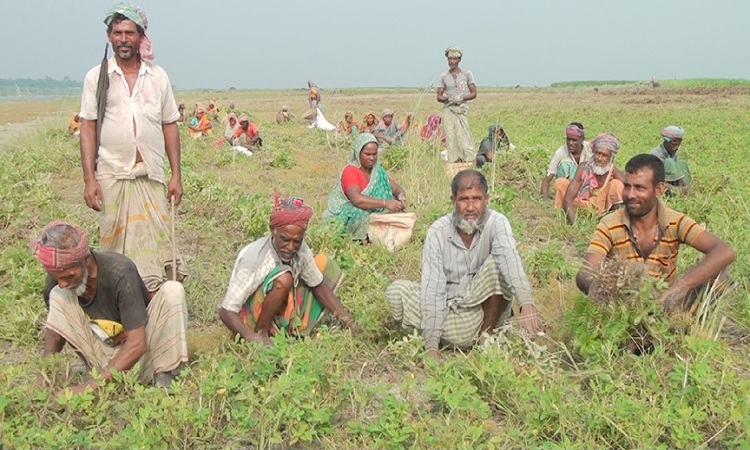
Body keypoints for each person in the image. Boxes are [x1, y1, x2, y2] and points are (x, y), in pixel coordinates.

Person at [79, 3, 187, 294]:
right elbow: (88, 126)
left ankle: (155, 305)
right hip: (113, 175)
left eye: (130, 32)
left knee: (157, 245)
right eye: (117, 33)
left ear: (142, 37)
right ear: (109, 36)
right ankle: (119, 303)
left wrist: (176, 174)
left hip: (151, 176)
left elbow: (170, 125)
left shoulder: (158, 77)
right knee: (115, 246)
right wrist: (90, 179)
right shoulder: (97, 78)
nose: (123, 39)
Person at [386, 170, 543, 359]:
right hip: (449, 310)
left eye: (476, 199)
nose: (470, 207)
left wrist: (526, 304)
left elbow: (510, 260)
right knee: (397, 291)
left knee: (498, 265)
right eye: (463, 199)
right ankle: (439, 336)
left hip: (481, 312)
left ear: (486, 199)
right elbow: (433, 290)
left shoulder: (497, 223)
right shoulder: (438, 232)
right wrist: (431, 348)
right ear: (453, 200)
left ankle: (485, 338)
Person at [32, 221, 188, 391]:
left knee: (173, 291)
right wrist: (44, 375)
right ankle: (97, 374)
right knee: (58, 295)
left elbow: (137, 344)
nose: (62, 283)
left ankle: (163, 373)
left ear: (86, 260)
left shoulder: (120, 273)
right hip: (101, 360)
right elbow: (56, 333)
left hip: (142, 356)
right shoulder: (59, 276)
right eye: (57, 277)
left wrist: (87, 389)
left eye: (69, 276)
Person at [576, 154, 735, 314]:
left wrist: (678, 289)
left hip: (666, 305)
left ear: (658, 189)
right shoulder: (609, 224)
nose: (630, 195)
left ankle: (684, 325)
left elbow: (724, 251)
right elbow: (586, 271)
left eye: (639, 188)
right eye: (627, 186)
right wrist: (603, 286)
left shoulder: (676, 221)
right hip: (624, 308)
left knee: (721, 274)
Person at [218, 195, 361, 342]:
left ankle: (289, 330)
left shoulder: (301, 250)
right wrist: (253, 339)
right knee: (284, 278)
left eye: (297, 241)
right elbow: (226, 311)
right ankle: (262, 334)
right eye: (285, 239)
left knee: (325, 265)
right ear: (273, 230)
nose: (291, 247)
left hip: (274, 309)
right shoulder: (255, 259)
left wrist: (350, 323)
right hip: (247, 320)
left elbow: (318, 286)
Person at [323, 133, 406, 240]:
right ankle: (357, 239)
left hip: (374, 210)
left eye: (374, 154)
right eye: (367, 154)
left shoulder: (377, 171)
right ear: (358, 153)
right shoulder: (351, 171)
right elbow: (356, 199)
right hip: (348, 212)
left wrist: (401, 196)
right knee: (360, 213)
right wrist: (385, 203)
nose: (372, 158)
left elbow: (395, 188)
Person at [560, 133, 625, 224]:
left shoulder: (613, 171)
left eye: (604, 155)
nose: (599, 158)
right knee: (561, 183)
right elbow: (568, 199)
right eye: (597, 153)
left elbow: (631, 189)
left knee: (618, 185)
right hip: (581, 208)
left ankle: (609, 221)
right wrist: (575, 225)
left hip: (603, 213)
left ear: (611, 158)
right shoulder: (583, 167)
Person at [437, 46, 477, 163]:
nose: (452, 61)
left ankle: (468, 160)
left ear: (459, 60)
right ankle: (453, 161)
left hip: (461, 108)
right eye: (450, 59)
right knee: (450, 136)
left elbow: (473, 93)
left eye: (455, 59)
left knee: (463, 135)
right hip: (449, 109)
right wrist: (448, 98)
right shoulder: (443, 76)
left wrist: (462, 97)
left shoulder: (467, 74)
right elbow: (439, 96)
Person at [540, 123, 592, 200]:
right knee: (565, 165)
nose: (570, 143)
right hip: (567, 192)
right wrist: (544, 200)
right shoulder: (561, 152)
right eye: (568, 139)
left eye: (574, 140)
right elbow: (547, 179)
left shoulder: (591, 149)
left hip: (588, 189)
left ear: (582, 139)